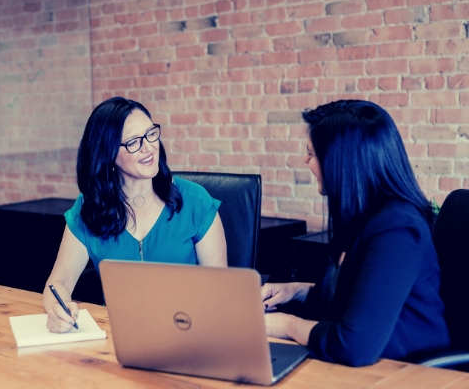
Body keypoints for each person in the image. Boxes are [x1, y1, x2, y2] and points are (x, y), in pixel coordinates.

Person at [261, 100, 450, 366]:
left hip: (409, 371)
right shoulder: (363, 216)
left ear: (341, 163)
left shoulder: (398, 230)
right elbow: (357, 295)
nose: (305, 161)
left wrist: (287, 325)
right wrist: (298, 291)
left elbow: (353, 346)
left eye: (311, 154)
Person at [44, 97, 227, 332]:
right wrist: (57, 312)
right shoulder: (88, 210)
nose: (149, 147)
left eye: (151, 134)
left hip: (188, 332)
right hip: (119, 338)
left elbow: (220, 290)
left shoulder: (195, 201)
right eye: (133, 142)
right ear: (107, 154)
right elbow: (59, 283)